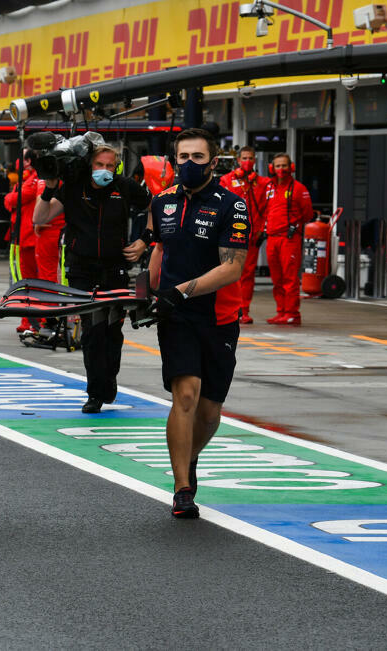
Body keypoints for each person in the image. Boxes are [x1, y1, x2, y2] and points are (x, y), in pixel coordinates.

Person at [147, 127, 250, 519]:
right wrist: (150, 294)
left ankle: (188, 458)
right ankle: (182, 488)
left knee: (208, 412)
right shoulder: (162, 202)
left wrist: (183, 290)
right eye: (183, 157)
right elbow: (160, 249)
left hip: (220, 316)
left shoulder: (232, 205)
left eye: (197, 157)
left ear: (214, 162)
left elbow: (232, 268)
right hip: (176, 315)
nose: (189, 164)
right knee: (185, 395)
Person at [33, 144, 151, 413]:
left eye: (110, 166)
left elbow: (158, 206)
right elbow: (39, 217)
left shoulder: (124, 187)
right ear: (90, 165)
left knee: (112, 329)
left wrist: (146, 239)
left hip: (115, 267)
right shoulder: (74, 187)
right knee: (92, 330)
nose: (105, 170)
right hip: (81, 268)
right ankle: (95, 393)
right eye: (100, 165)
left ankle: (108, 379)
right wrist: (49, 188)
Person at [219, 146, 270, 324]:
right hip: (229, 236)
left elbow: (267, 209)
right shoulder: (226, 180)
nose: (247, 161)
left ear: (255, 160)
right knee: (227, 273)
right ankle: (229, 310)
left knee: (247, 275)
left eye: (250, 158)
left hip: (252, 237)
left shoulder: (263, 183)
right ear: (238, 160)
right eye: (244, 158)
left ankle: (245, 310)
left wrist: (262, 229)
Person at [264, 153, 313, 326]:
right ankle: (281, 311)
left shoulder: (299, 189)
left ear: (291, 167)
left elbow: (307, 214)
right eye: (278, 166)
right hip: (272, 239)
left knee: (290, 278)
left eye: (284, 166)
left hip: (289, 239)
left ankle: (292, 313)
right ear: (272, 168)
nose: (281, 169)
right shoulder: (270, 187)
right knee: (277, 279)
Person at [5, 151, 40, 333]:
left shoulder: (34, 179)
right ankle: (28, 320)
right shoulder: (26, 180)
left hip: (31, 236)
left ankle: (35, 320)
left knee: (32, 280)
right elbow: (11, 201)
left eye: (25, 157)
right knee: (24, 280)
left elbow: (17, 198)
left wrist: (11, 197)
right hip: (23, 236)